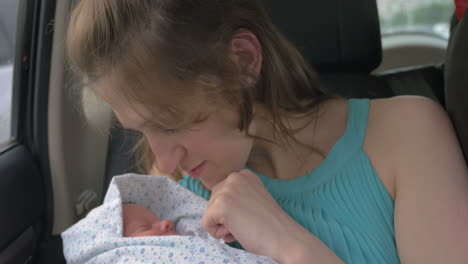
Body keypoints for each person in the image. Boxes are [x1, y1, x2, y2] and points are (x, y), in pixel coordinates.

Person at [66, 0, 468, 263]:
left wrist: (288, 244)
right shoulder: (167, 189)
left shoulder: (406, 134)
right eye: (140, 131)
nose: (165, 159)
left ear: (242, 61)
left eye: (172, 123)